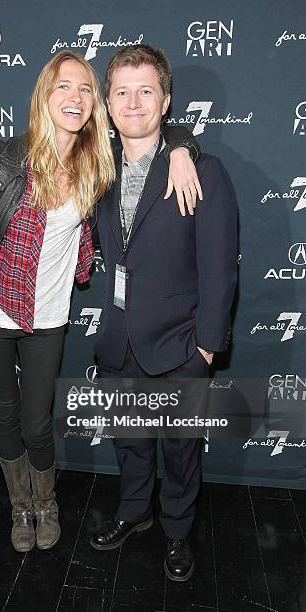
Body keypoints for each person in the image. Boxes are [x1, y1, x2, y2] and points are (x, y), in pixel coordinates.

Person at [0, 50, 201, 554]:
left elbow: (153, 131)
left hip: (48, 316)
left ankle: (48, 501)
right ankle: (23, 505)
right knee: (5, 416)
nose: (75, 97)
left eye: (85, 89)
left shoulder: (95, 164)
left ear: (94, 104)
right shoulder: (3, 156)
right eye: (64, 86)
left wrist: (183, 147)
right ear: (45, 94)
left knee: (38, 423)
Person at [89, 45, 237, 582]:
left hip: (181, 344)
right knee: (130, 440)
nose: (133, 102)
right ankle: (135, 513)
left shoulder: (202, 170)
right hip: (119, 338)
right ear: (106, 104)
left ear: (166, 100)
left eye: (145, 90)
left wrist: (206, 347)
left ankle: (177, 530)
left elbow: (220, 267)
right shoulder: (97, 171)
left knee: (179, 451)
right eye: (122, 92)